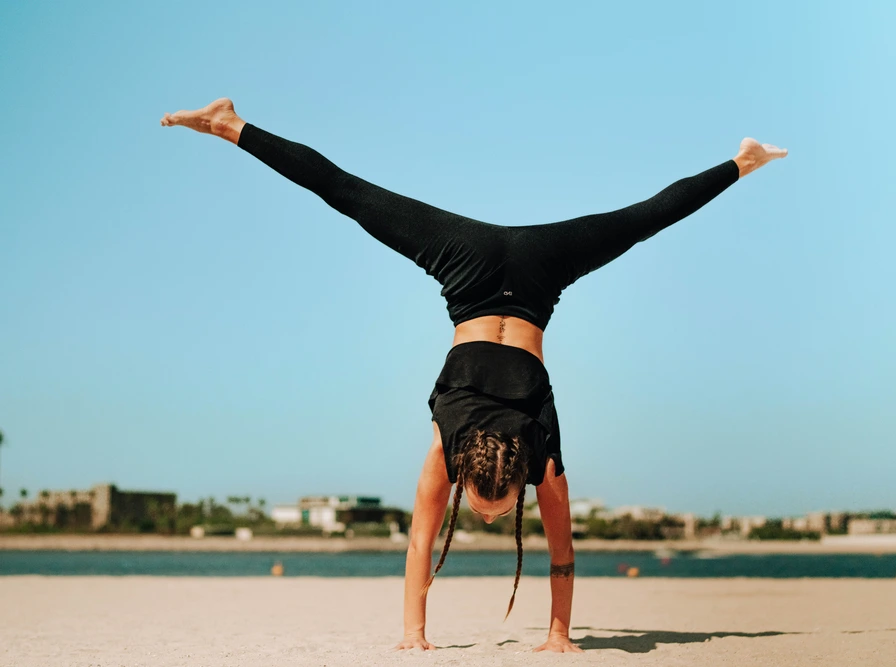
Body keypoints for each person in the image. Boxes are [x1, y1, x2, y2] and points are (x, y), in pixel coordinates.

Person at [161, 98, 787, 653]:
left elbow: (422, 543)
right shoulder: (536, 450)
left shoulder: (453, 448)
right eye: (497, 512)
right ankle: (229, 124)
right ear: (512, 477)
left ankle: (744, 161)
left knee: (639, 218)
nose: (490, 518)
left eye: (488, 510)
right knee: (350, 194)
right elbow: (557, 553)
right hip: (523, 270)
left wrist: (434, 636)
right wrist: (551, 635)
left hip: (479, 268)